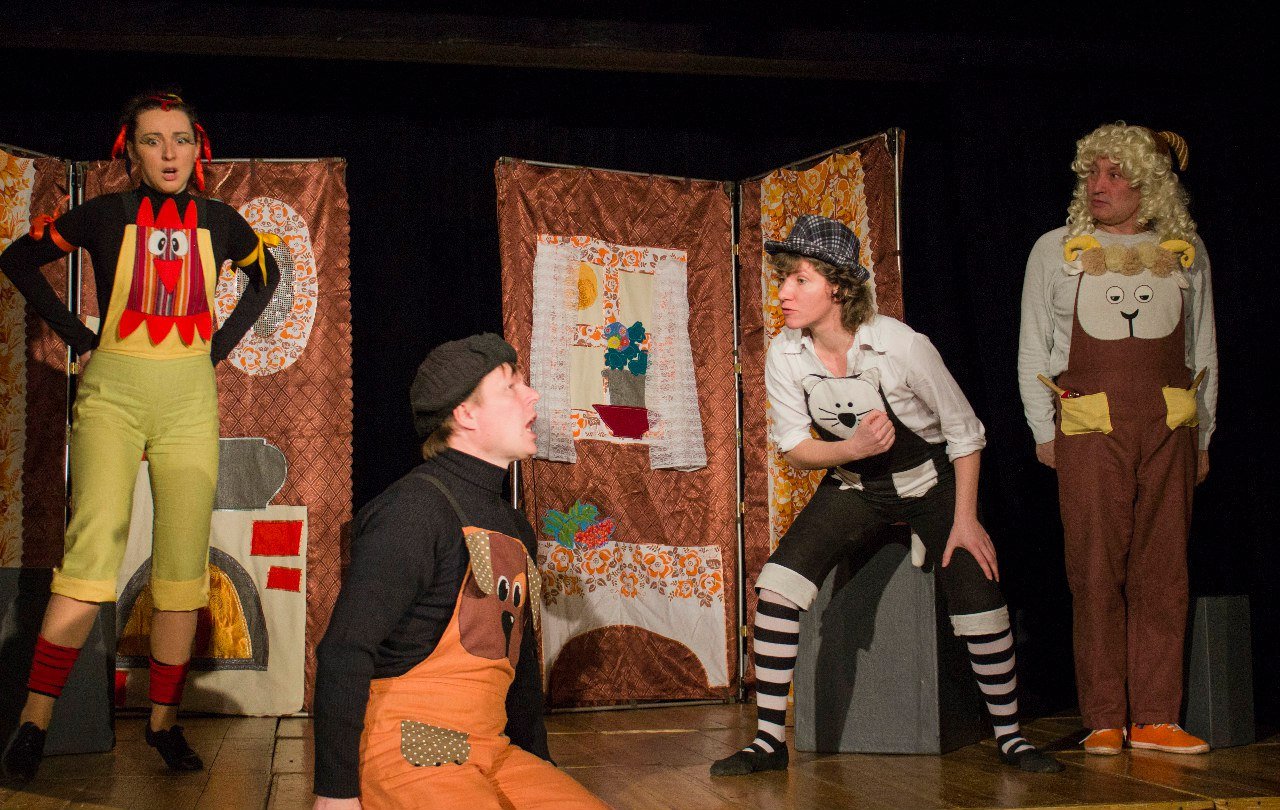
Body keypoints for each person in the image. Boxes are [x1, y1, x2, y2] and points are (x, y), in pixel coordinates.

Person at [711, 214, 1061, 777]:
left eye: (800, 279)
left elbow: (966, 434)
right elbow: (795, 447)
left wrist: (965, 519)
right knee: (776, 586)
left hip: (929, 483)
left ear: (838, 287)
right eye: (784, 279)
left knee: (977, 594)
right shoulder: (786, 353)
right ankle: (770, 741)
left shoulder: (900, 346)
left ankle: (1011, 738)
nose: (783, 293)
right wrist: (850, 449)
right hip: (855, 485)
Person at [0, 91, 280, 780]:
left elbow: (265, 277)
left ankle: (163, 724)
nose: (169, 153)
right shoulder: (104, 213)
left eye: (180, 139)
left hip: (189, 404)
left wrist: (217, 348)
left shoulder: (220, 221)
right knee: (90, 552)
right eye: (153, 140)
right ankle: (33, 725)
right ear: (130, 150)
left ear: (197, 147)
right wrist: (77, 336)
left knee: (182, 566)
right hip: (113, 398)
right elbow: (18, 259)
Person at [312, 334, 606, 809]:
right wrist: (335, 794)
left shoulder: (514, 526)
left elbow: (520, 669)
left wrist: (540, 773)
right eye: (511, 386)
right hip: (407, 749)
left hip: (491, 748)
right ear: (466, 415)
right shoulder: (414, 510)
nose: (532, 395)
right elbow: (345, 648)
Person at [1018, 123, 1217, 755]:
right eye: (1091, 174)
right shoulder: (1057, 249)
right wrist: (1040, 428)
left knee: (1164, 570)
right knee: (1095, 569)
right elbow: (1033, 347)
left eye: (1114, 174)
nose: (1097, 186)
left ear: (1149, 184)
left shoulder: (1185, 250)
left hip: (1169, 424)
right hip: (1089, 424)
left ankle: (1157, 716)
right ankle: (1104, 715)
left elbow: (1203, 348)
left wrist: (1204, 434)